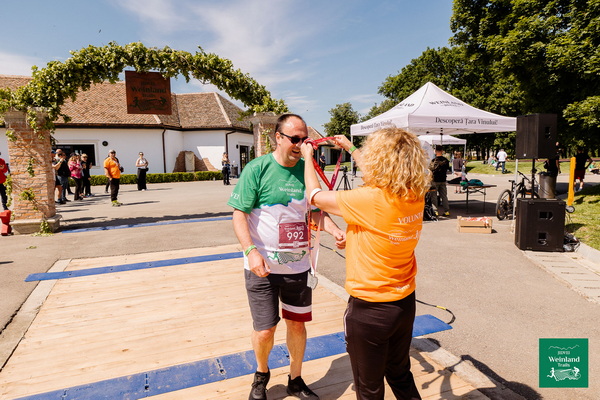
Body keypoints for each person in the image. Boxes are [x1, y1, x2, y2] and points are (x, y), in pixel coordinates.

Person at [300, 127, 429, 399]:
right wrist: (350, 148)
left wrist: (307, 158)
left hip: (370, 309)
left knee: (369, 389)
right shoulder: (414, 194)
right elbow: (378, 181)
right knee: (400, 375)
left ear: (379, 159)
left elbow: (314, 196)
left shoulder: (370, 199)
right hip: (404, 303)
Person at [227, 113, 346, 400]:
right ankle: (261, 374)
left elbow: (315, 211)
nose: (300, 144)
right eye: (295, 139)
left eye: (305, 139)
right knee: (265, 330)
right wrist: (250, 251)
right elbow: (239, 214)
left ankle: (296, 378)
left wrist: (333, 230)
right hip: (262, 267)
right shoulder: (257, 168)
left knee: (297, 324)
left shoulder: (307, 171)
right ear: (278, 138)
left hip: (298, 267)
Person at [429, 145, 450, 217]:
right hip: (443, 180)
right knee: (444, 196)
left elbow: (430, 169)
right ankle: (447, 211)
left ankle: (435, 211)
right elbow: (447, 169)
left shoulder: (433, 161)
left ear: (435, 151)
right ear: (442, 151)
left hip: (434, 180)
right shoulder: (446, 160)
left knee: (434, 196)